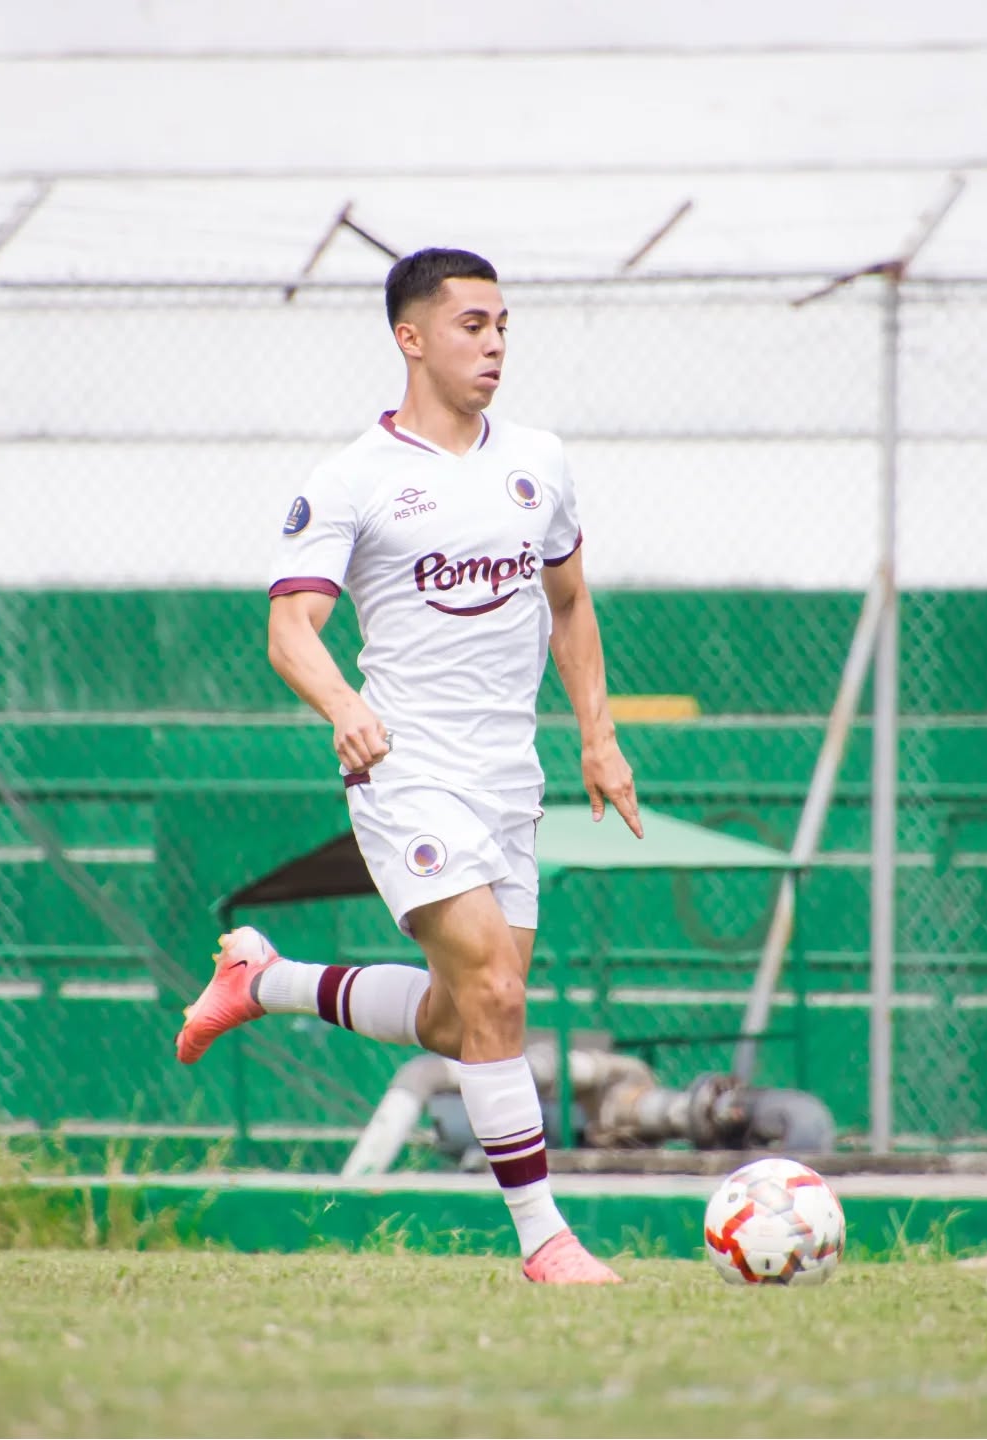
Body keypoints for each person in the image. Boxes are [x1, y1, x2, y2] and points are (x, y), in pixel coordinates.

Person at [176, 247, 643, 1285]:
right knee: (489, 986)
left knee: (466, 1009)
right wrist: (344, 704)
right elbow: (290, 627)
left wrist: (597, 736)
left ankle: (267, 979)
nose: (494, 344)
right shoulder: (351, 480)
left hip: (508, 777)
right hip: (406, 768)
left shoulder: (541, 462)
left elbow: (570, 603)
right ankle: (546, 1241)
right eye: (473, 325)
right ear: (412, 337)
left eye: (504, 325)